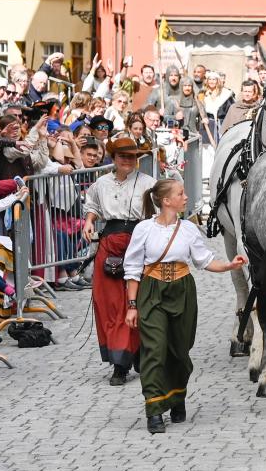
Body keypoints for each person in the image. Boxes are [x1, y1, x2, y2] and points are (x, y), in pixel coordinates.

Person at [123, 178, 247, 434]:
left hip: (182, 291)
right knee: (154, 350)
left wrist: (229, 265)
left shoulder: (189, 229)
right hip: (152, 291)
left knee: (180, 351)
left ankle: (177, 398)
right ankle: (154, 408)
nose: (186, 197)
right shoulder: (144, 229)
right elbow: (133, 270)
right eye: (181, 193)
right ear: (166, 201)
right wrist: (132, 305)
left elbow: (204, 260)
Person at [82, 136, 158, 386]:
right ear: (113, 158)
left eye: (132, 156)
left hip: (139, 241)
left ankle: (137, 353)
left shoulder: (148, 183)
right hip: (110, 243)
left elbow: (159, 214)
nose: (128, 161)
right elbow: (92, 205)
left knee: (137, 301)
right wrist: (90, 220)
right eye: (123, 156)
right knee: (111, 304)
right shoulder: (101, 183)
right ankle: (119, 361)